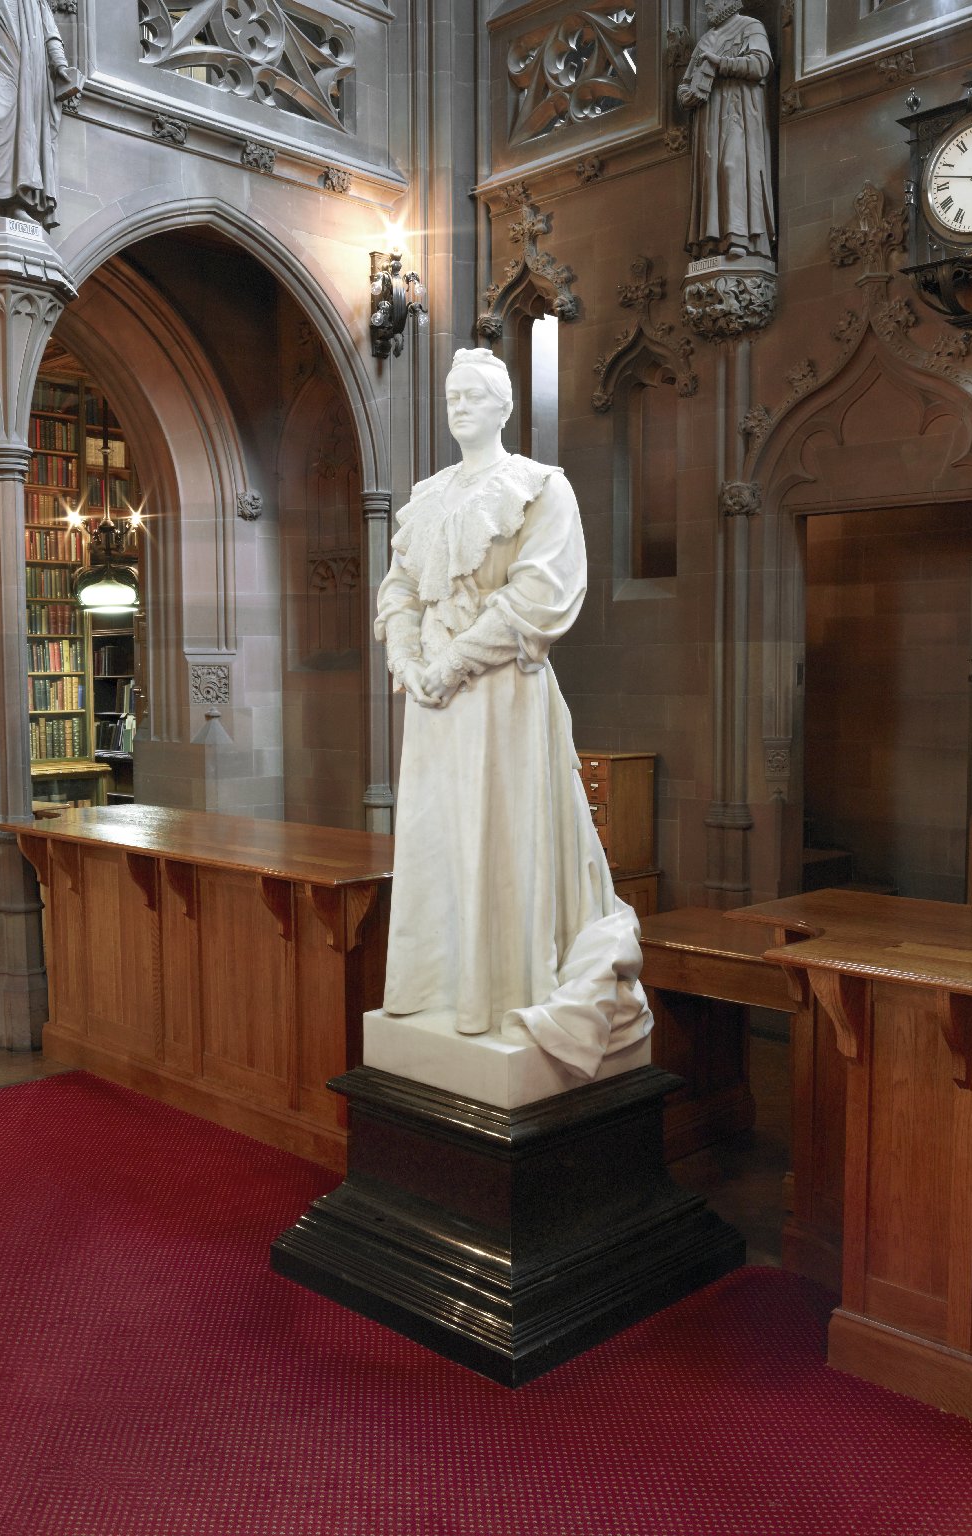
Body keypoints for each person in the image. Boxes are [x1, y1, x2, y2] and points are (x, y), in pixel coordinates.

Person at [374, 348, 652, 1082]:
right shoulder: (427, 495)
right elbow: (399, 589)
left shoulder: (539, 487)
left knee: (500, 832)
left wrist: (452, 661)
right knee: (439, 836)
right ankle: (441, 985)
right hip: (433, 707)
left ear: (502, 406)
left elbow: (541, 597)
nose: (459, 406)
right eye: (451, 395)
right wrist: (406, 660)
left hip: (500, 695)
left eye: (474, 395)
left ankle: (501, 990)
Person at [0, 0, 81, 228]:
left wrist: (59, 63)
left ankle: (16, 201)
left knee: (25, 131)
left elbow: (50, 30)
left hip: (29, 68)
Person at [677, 0, 775, 261]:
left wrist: (721, 63)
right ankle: (711, 242)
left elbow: (761, 65)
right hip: (708, 120)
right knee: (711, 174)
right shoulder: (706, 39)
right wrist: (687, 95)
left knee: (733, 166)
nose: (707, 4)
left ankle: (740, 236)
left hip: (738, 112)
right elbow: (685, 83)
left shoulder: (750, 26)